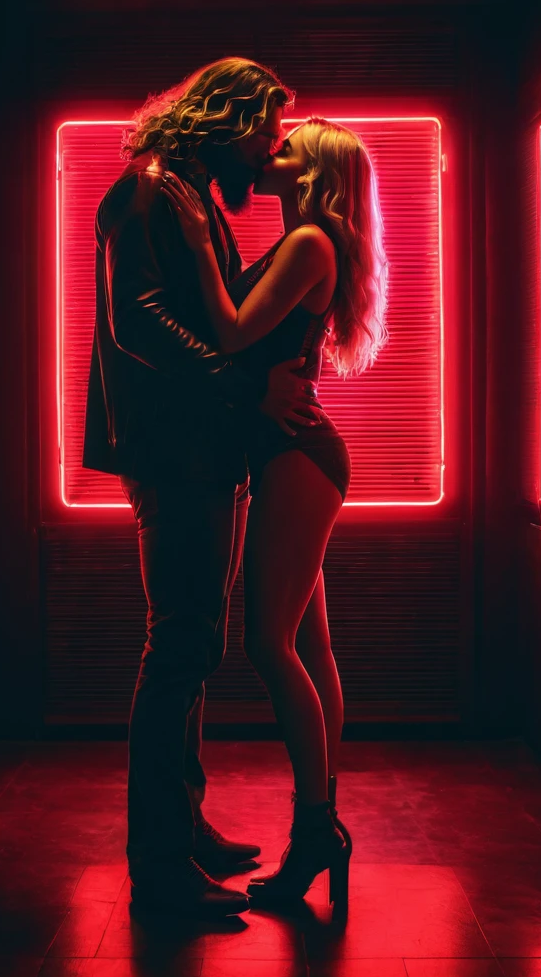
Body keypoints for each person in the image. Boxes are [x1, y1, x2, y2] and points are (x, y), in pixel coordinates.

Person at [83, 58, 322, 918]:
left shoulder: (179, 192)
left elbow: (200, 306)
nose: (270, 150)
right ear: (225, 119)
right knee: (181, 648)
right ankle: (159, 862)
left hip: (189, 449)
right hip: (174, 451)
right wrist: (243, 387)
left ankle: (183, 831)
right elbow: (138, 319)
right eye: (263, 131)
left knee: (190, 647)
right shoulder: (149, 192)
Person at [163, 117, 388, 915]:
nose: (272, 150)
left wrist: (195, 243)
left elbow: (228, 332)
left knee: (268, 643)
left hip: (297, 459)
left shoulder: (308, 244)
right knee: (312, 647)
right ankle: (319, 829)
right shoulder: (311, 240)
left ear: (312, 170)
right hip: (298, 458)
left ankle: (317, 830)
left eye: (287, 146)